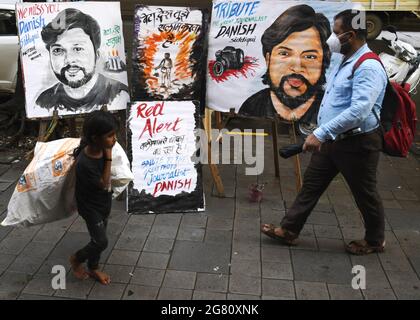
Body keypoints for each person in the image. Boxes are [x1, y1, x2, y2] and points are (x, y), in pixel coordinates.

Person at [261, 9, 388, 255]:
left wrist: (321, 133)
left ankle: (375, 241)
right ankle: (289, 230)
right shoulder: (348, 59)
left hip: (357, 144)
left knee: (365, 194)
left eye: (336, 32)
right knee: (311, 185)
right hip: (333, 140)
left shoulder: (368, 66)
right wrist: (324, 132)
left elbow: (359, 111)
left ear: (349, 36)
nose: (331, 37)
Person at [238, 4, 331, 126]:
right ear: (268, 58)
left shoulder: (331, 109)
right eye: (284, 53)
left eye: (309, 57)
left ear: (323, 62)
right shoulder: (251, 107)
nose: (297, 68)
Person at [36, 8, 129, 112]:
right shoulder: (43, 102)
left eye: (78, 49)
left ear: (97, 54)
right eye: (58, 50)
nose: (69, 60)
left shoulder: (119, 95)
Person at [70, 110, 118, 284]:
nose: (114, 139)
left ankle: (94, 267)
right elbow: (103, 183)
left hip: (103, 202)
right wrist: (109, 158)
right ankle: (76, 259)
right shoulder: (86, 162)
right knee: (101, 241)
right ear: (95, 138)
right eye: (110, 136)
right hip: (90, 207)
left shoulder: (100, 147)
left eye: (114, 134)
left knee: (98, 238)